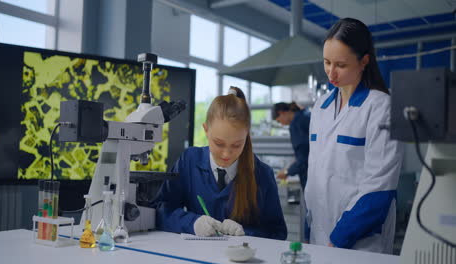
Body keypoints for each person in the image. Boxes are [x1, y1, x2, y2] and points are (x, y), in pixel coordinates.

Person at [304, 18, 403, 253]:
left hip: (360, 239)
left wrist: (339, 239)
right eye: (327, 62)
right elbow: (314, 175)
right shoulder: (321, 107)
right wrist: (309, 231)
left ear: (364, 61)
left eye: (340, 64)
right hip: (319, 233)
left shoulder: (381, 107)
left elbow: (379, 188)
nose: (331, 72)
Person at [154, 86, 287, 240]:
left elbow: (278, 233)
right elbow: (160, 210)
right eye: (219, 143)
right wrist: (192, 223)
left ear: (247, 135)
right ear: (206, 130)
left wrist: (246, 233)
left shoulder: (262, 174)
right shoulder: (189, 161)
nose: (226, 154)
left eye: (237, 145)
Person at [272, 102, 310, 190]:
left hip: (310, 174)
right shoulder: (305, 115)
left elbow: (304, 157)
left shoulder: (296, 125)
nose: (281, 124)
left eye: (279, 120)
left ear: (282, 113)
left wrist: (287, 172)